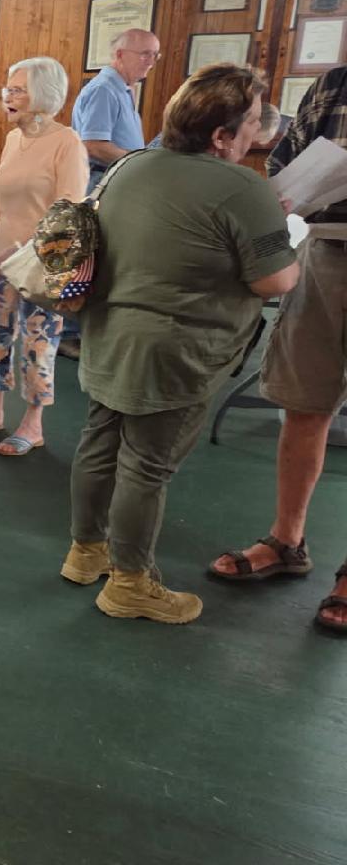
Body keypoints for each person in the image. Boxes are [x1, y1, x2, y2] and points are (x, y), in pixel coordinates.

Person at [59, 65, 299, 624]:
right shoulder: (245, 188)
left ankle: (85, 552)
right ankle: (130, 584)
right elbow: (275, 281)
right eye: (254, 121)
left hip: (109, 337)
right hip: (179, 353)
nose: (259, 129)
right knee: (147, 467)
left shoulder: (131, 165)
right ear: (221, 135)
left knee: (99, 445)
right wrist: (273, 228)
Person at [208, 63, 347, 633]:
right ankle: (287, 541)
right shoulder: (334, 83)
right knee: (303, 401)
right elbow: (286, 158)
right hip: (328, 251)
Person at [0, 56, 87, 456]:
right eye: (6, 89)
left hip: (43, 260)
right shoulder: (13, 139)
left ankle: (33, 423)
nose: (6, 97)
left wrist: (14, 252)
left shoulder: (67, 142)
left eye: (17, 90)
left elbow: (69, 212)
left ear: (42, 95)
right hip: (1, 255)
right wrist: (0, 252)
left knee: (38, 338)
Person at [61, 27, 160, 358]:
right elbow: (94, 144)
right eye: (144, 54)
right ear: (120, 55)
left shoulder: (123, 89)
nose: (151, 61)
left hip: (115, 182)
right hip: (100, 183)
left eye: (155, 55)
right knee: (88, 260)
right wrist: (139, 160)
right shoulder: (104, 89)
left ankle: (85, 330)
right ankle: (70, 334)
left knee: (101, 260)